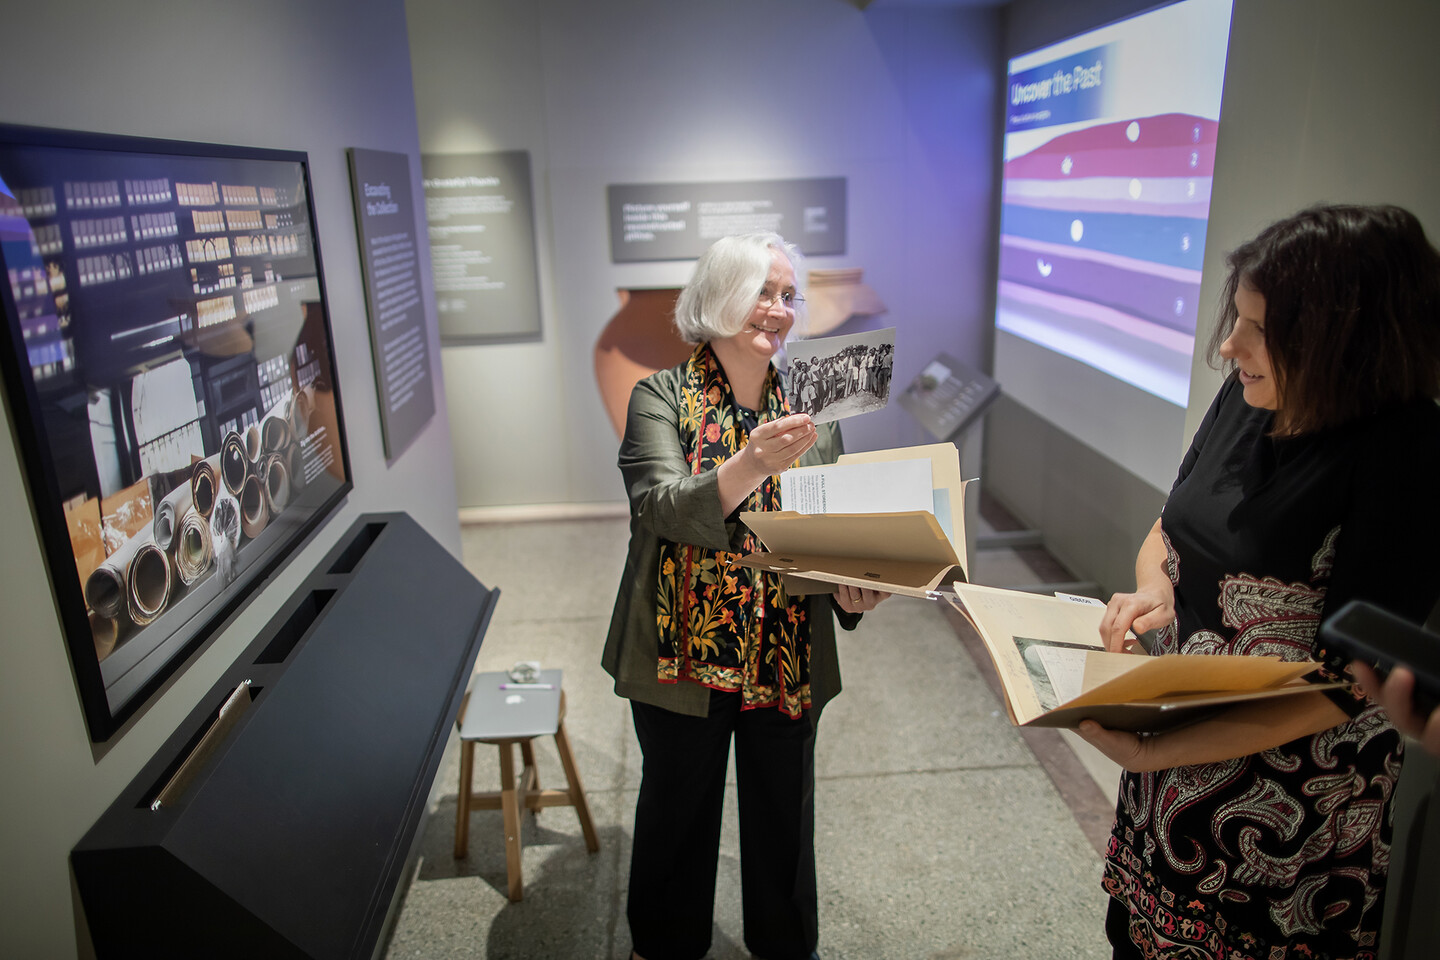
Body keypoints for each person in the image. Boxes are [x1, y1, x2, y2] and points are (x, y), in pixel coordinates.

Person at [1077, 204, 1440, 960]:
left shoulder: (1404, 452)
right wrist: (1156, 589)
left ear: (1344, 340)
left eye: (1258, 330)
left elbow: (1347, 685)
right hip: (1170, 764)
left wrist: (1156, 753)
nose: (1228, 347)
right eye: (1234, 319)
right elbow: (1166, 530)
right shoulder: (1250, 398)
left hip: (1285, 823)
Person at [602, 232, 888, 960]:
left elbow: (833, 530)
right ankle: (664, 947)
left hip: (785, 650)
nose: (779, 310)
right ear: (717, 298)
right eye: (763, 291)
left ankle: (786, 947)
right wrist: (750, 462)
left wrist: (853, 591)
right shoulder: (658, 396)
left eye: (788, 295)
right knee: (677, 813)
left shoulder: (812, 410)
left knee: (783, 821)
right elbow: (661, 508)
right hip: (682, 655)